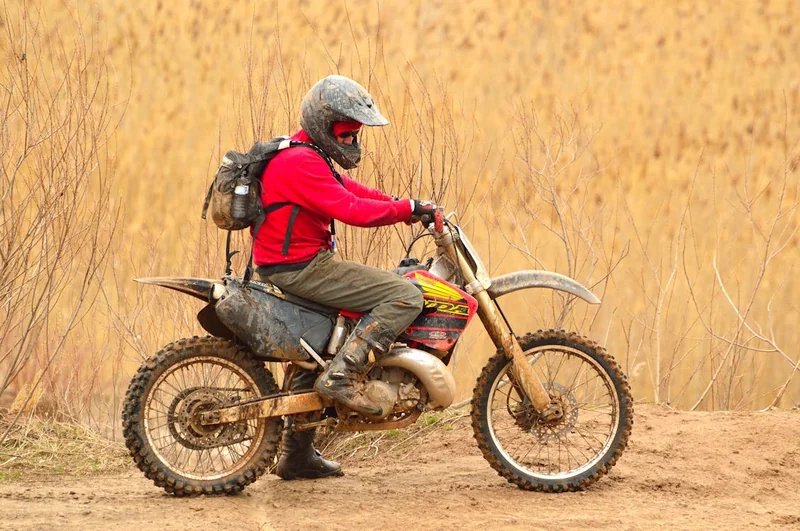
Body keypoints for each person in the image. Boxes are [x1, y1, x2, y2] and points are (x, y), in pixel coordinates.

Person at [254, 75, 437, 480]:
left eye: (356, 134)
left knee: (316, 346)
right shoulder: (301, 161)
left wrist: (409, 205)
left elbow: (353, 189)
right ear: (325, 124)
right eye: (347, 133)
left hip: (289, 263)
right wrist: (405, 209)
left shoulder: (306, 152)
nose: (353, 141)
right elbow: (351, 209)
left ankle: (296, 456)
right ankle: (344, 376)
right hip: (301, 266)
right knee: (404, 294)